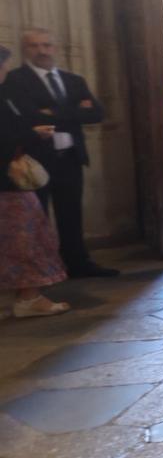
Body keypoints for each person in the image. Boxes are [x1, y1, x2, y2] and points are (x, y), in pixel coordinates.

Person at [4, 28, 117, 277]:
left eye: (46, 45)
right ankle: (42, 270)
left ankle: (77, 263)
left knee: (71, 214)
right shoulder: (15, 79)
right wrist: (74, 110)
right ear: (25, 50)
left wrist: (52, 113)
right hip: (36, 159)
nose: (42, 51)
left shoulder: (73, 80)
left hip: (70, 157)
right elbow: (28, 115)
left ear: (54, 48)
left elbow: (95, 113)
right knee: (37, 217)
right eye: (34, 46)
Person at [1, 43, 70, 317]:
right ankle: (29, 298)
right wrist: (33, 135)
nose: (6, 68)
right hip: (8, 184)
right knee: (27, 240)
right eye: (2, 63)